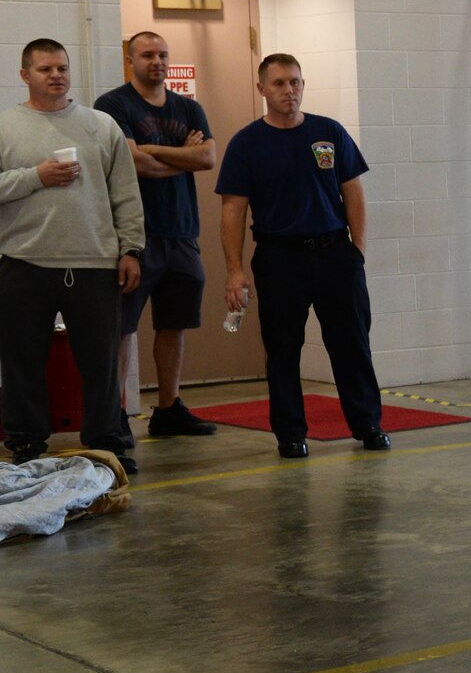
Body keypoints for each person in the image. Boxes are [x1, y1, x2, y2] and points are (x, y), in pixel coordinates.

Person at [214, 54, 388, 460]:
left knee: (351, 345)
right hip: (278, 259)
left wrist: (356, 252)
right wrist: (235, 270)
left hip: (334, 254)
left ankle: (369, 425)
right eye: (277, 84)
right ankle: (291, 435)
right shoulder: (246, 143)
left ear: (302, 84)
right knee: (283, 350)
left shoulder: (329, 132)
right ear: (262, 89)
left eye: (294, 82)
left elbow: (354, 193)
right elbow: (233, 210)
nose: (287, 91)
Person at [0, 40, 144, 472]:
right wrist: (35, 177)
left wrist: (131, 249)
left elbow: (126, 193)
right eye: (45, 69)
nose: (56, 76)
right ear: (25, 75)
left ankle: (106, 440)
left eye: (62, 67)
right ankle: (26, 440)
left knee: (100, 361)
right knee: (21, 360)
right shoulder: (6, 126)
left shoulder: (102, 126)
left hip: (94, 261)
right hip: (24, 260)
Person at [95, 31, 219, 438]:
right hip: (134, 238)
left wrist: (154, 151)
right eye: (147, 55)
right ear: (130, 60)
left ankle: (168, 409)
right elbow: (132, 164)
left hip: (182, 234)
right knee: (122, 328)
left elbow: (208, 156)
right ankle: (115, 415)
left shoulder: (189, 107)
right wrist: (182, 157)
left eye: (163, 54)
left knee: (174, 324)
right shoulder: (113, 105)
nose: (157, 61)